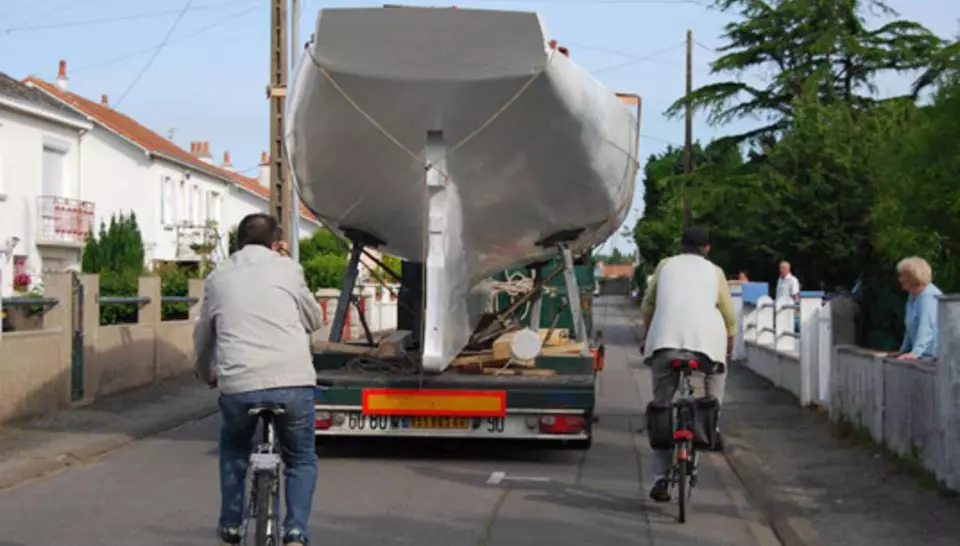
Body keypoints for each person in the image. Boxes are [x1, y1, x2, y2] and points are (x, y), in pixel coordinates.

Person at [194, 213, 325, 546]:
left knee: (235, 449)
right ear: (275, 242)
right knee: (300, 458)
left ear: (237, 242)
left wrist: (206, 371)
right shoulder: (288, 269)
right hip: (293, 381)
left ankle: (231, 524)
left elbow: (204, 335)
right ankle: (295, 531)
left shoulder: (218, 276)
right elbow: (315, 320)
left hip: (239, 383)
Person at [639, 226, 737, 502]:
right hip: (706, 348)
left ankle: (660, 478)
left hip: (665, 344)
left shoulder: (665, 266)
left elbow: (648, 305)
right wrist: (728, 347)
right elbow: (729, 317)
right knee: (717, 373)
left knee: (662, 405)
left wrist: (646, 337)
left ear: (680, 247)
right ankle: (712, 421)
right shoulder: (715, 272)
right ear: (707, 249)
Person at [889, 256, 941, 360]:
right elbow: (910, 327)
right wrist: (903, 351)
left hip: (934, 357)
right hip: (923, 355)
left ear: (913, 276)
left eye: (902, 275)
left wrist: (915, 353)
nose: (899, 279)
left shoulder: (929, 296)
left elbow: (926, 327)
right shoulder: (912, 296)